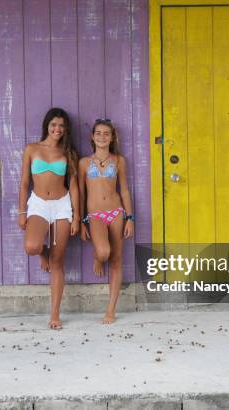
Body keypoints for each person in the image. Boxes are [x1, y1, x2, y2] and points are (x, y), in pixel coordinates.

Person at [18, 107, 80, 330]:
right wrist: (22, 211)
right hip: (39, 204)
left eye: (61, 126)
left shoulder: (68, 152)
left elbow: (73, 186)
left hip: (62, 205)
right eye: (54, 125)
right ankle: (43, 252)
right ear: (47, 125)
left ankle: (55, 315)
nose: (57, 129)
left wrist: (76, 216)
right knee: (32, 246)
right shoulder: (32, 149)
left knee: (57, 261)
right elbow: (25, 183)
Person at [79, 118, 134, 324]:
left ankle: (111, 310)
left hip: (116, 212)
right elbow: (81, 194)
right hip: (95, 215)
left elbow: (125, 190)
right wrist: (82, 220)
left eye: (106, 134)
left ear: (112, 138)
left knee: (117, 260)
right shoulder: (84, 162)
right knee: (104, 252)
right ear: (92, 137)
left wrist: (130, 217)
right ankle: (97, 256)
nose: (102, 137)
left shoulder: (119, 161)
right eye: (98, 133)